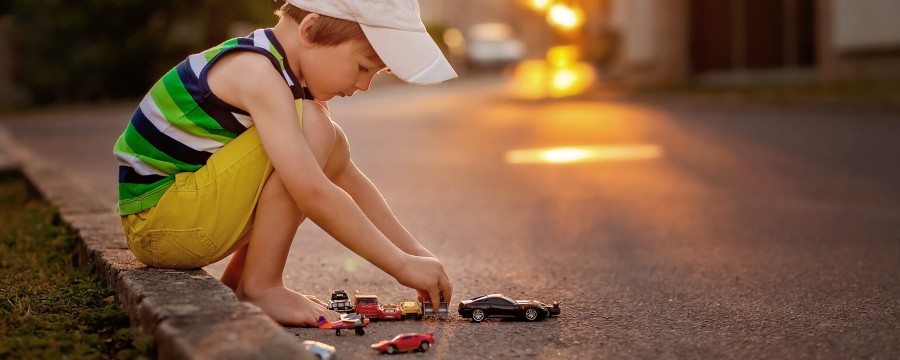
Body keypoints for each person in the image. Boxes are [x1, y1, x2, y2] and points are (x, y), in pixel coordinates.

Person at [113, 0, 455, 327]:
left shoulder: (277, 71)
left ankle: (245, 283)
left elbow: (349, 180)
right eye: (363, 67)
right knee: (316, 128)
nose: (364, 85)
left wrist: (415, 254)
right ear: (309, 30)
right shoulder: (255, 71)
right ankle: (262, 286)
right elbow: (312, 192)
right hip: (162, 224)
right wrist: (400, 265)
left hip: (177, 219)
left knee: (329, 141)